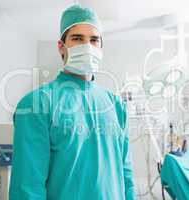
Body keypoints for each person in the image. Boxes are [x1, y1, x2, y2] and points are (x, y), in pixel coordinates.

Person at [9, 5, 136, 200]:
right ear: (61, 46)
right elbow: (27, 187)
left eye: (94, 40)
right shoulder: (37, 104)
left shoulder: (116, 105)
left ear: (101, 47)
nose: (87, 46)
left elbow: (126, 175)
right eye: (77, 39)